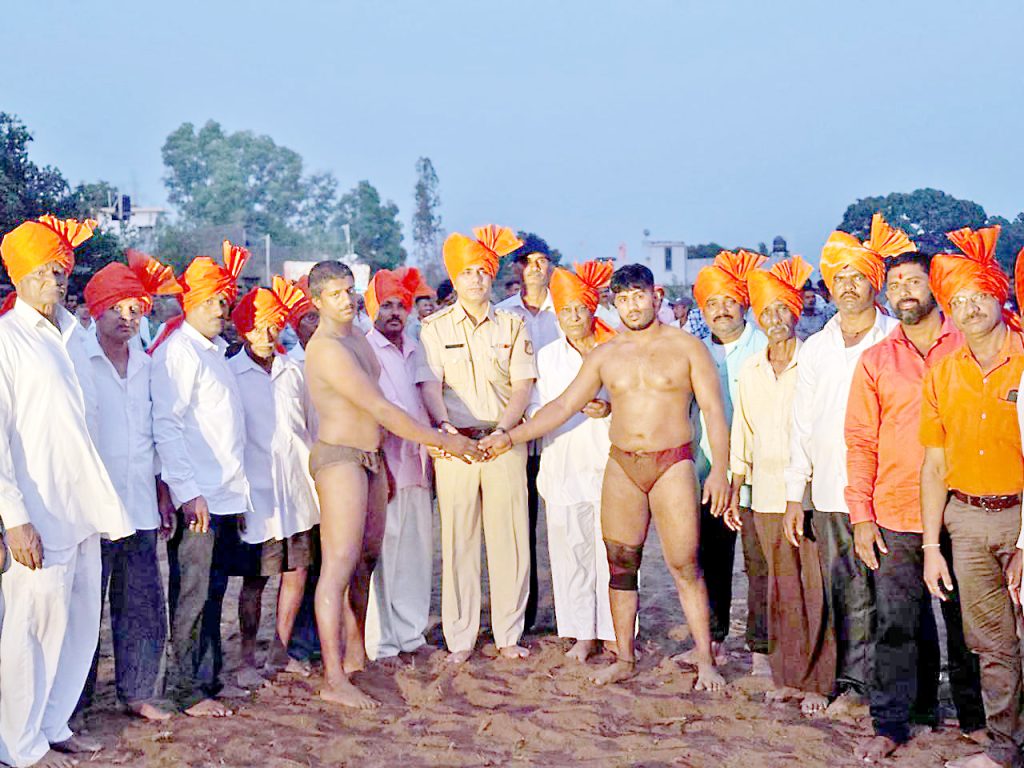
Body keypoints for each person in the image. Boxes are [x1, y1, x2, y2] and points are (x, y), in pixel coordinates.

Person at [481, 263, 730, 691]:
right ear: (615, 303)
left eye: (639, 296)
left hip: (672, 463)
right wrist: (509, 437)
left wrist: (720, 471)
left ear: (655, 296)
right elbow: (562, 406)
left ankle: (706, 659)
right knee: (621, 564)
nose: (632, 306)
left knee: (685, 563)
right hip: (623, 464)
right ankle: (624, 657)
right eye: (624, 299)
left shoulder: (687, 347)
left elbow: (713, 411)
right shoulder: (606, 353)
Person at [304, 260, 478, 708]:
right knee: (338, 566)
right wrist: (443, 440)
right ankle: (333, 677)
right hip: (341, 457)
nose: (346, 300)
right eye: (336, 294)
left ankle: (356, 654)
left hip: (371, 456)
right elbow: (380, 407)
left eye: (349, 290)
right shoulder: (327, 348)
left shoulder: (357, 337)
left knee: (365, 559)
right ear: (317, 300)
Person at [0, 216, 134, 768]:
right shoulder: (7, 341)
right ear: (20, 278)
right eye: (45, 271)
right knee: (31, 626)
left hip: (82, 505)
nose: (56, 280)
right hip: (38, 510)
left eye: (60, 270)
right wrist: (14, 517)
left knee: (78, 623)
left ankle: (54, 725)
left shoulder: (73, 337)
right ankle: (19, 746)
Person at [846, 245, 987, 762]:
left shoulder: (971, 344)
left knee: (968, 623)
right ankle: (893, 723)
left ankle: (976, 720)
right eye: (895, 283)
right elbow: (860, 441)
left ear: (936, 287)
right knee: (896, 623)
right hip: (897, 509)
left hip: (966, 507)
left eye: (913, 280)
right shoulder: (876, 360)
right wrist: (862, 516)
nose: (903, 291)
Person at [783, 214, 905, 714]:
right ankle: (855, 686)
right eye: (840, 278)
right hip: (833, 489)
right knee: (848, 589)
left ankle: (904, 694)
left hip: (891, 491)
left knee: (895, 594)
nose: (849, 286)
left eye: (858, 277)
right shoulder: (816, 348)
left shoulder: (897, 338)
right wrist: (796, 494)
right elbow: (803, 425)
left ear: (875, 282)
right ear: (829, 287)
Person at [921, 226, 1024, 768]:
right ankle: (1004, 749)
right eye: (957, 300)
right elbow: (934, 465)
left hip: (1020, 516)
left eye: (979, 295)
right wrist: (930, 547)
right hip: (966, 520)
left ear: (999, 294)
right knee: (991, 644)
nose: (970, 308)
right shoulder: (942, 374)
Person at [416, 225, 536, 664]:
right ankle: (461, 637)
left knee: (510, 540)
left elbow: (522, 385)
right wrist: (444, 427)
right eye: (467, 272)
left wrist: (505, 430)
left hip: (503, 441)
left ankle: (508, 634)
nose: (476, 279)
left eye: (483, 271)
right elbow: (430, 385)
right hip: (455, 445)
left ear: (493, 276)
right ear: (455, 277)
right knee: (458, 541)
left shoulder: (513, 324)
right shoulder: (433, 328)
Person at [726, 256, 835, 715]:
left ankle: (819, 682)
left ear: (796, 311)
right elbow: (743, 433)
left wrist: (805, 491)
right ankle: (788, 677)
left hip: (807, 495)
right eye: (765, 312)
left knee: (813, 587)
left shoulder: (814, 362)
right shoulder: (751, 369)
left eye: (781, 310)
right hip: (765, 493)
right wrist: (736, 487)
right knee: (778, 587)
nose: (774, 320)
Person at [76, 252, 182, 725]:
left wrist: (163, 490)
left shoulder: (148, 364)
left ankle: (138, 692)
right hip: (91, 508)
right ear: (95, 309)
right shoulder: (76, 360)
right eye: (116, 308)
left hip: (139, 503)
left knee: (141, 603)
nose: (126, 317)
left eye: (135, 309)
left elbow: (157, 434)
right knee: (84, 609)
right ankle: (73, 704)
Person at [150, 240, 252, 718]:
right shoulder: (179, 352)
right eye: (210, 300)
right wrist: (188, 493)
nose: (220, 309)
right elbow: (166, 426)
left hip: (223, 495)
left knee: (214, 592)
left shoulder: (213, 352)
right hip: (199, 500)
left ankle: (208, 679)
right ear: (189, 303)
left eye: (224, 300)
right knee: (191, 594)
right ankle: (185, 690)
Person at [227, 277, 320, 688]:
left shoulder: (294, 371)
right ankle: (247, 657)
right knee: (255, 579)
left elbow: (309, 427)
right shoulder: (231, 373)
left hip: (297, 490)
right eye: (257, 326)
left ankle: (280, 653)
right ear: (243, 330)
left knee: (297, 570)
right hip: (257, 493)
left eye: (273, 325)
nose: (266, 334)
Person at [531, 261, 617, 661]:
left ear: (592, 308)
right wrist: (560, 411)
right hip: (563, 463)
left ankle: (616, 632)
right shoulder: (547, 357)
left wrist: (609, 408)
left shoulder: (614, 349)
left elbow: (634, 398)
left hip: (610, 463)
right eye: (565, 311)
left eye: (580, 309)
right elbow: (535, 408)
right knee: (571, 552)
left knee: (613, 550)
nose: (573, 317)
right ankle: (583, 633)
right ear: (557, 316)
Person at [691, 250, 769, 671]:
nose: (721, 310)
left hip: (759, 477)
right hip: (710, 475)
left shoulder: (766, 346)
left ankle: (762, 651)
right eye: (712, 303)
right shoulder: (695, 352)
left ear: (744, 304)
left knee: (761, 567)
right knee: (711, 560)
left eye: (729, 301)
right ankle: (714, 641)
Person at [361, 267, 435, 664]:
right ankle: (382, 641)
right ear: (372, 308)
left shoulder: (415, 347)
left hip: (418, 465)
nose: (394, 313)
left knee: (415, 553)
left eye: (400, 306)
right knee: (383, 555)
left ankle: (411, 634)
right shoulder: (364, 350)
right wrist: (381, 469)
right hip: (384, 466)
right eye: (386, 305)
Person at [496, 233, 561, 633]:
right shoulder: (501, 314)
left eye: (542, 260)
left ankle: (575, 617)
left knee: (566, 524)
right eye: (527, 262)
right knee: (518, 528)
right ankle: (523, 616)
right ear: (516, 268)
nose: (535, 268)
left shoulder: (568, 311)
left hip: (562, 431)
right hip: (515, 432)